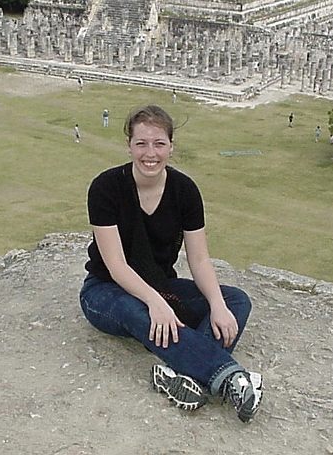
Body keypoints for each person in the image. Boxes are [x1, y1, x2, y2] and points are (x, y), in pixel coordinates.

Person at [79, 105, 262, 423]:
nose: (150, 153)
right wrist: (154, 302)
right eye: (141, 143)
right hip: (106, 292)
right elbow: (117, 265)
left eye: (159, 143)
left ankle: (176, 375)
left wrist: (216, 304)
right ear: (129, 146)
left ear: (171, 146)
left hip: (162, 285)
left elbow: (200, 258)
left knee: (235, 301)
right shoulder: (105, 188)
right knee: (139, 311)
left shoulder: (185, 191)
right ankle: (231, 378)